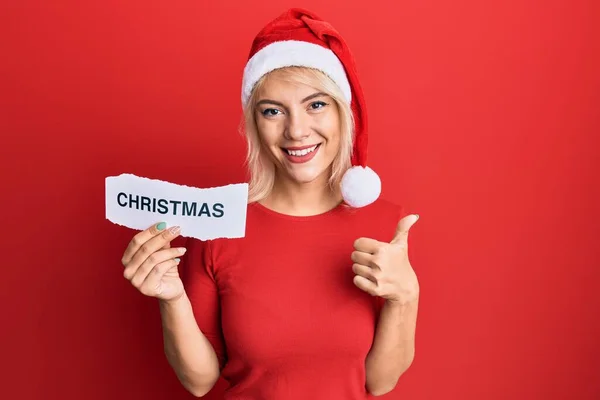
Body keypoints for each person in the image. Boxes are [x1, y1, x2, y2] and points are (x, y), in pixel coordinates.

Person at [120, 8, 420, 400]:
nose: (296, 131)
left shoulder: (386, 225)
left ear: (342, 112)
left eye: (316, 105)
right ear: (255, 124)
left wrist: (406, 296)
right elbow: (199, 380)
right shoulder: (220, 225)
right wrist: (171, 298)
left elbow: (380, 382)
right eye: (273, 111)